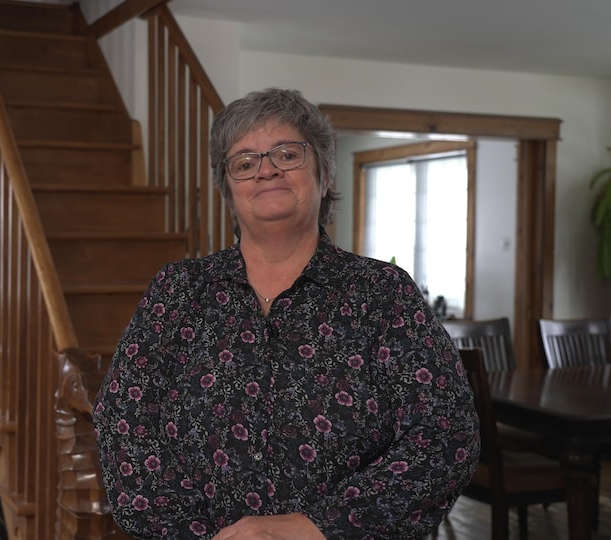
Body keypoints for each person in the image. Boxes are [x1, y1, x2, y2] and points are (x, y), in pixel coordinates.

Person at [92, 88, 479, 539]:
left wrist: (319, 528)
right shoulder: (179, 290)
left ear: (324, 171)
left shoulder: (383, 294)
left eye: (287, 154)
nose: (267, 169)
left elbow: (445, 435)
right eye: (245, 161)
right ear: (228, 188)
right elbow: (124, 422)